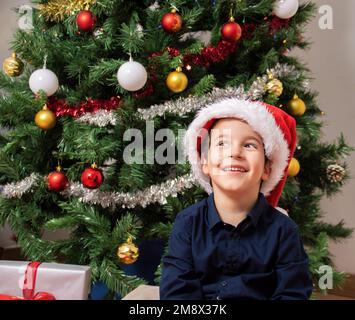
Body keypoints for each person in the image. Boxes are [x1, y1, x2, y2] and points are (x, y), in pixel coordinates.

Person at [160, 98, 313, 300]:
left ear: (267, 168)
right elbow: (177, 292)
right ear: (204, 162)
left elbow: (292, 294)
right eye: (222, 143)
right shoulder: (188, 223)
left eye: (249, 145)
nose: (234, 153)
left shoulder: (283, 231)